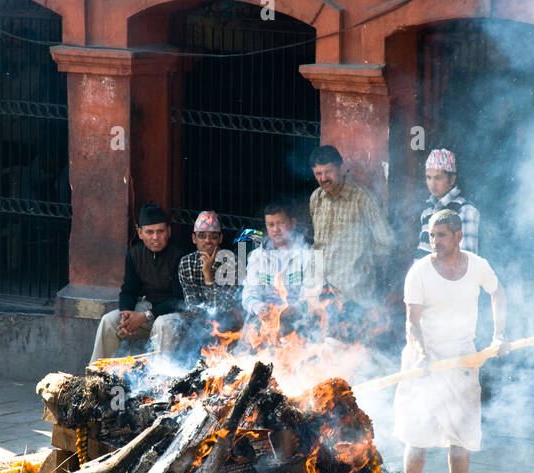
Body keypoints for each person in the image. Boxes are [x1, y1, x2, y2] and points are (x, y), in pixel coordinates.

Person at [393, 208, 508, 473]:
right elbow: (412, 323)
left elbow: (497, 293)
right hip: (424, 359)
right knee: (417, 436)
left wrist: (499, 335)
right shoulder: (418, 272)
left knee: (461, 436)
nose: (435, 241)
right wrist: (420, 355)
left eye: (441, 235)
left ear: (458, 236)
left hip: (462, 358)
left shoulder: (478, 266)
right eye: (431, 235)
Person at [88, 202, 185, 364]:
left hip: (172, 316)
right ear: (140, 233)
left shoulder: (179, 254)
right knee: (109, 321)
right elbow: (128, 289)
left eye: (160, 231)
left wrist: (144, 316)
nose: (155, 237)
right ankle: (95, 377)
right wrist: (126, 315)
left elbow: (178, 299)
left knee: (162, 324)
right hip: (146, 309)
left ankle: (160, 383)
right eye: (149, 232)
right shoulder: (134, 254)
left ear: (168, 231)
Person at [307, 145, 396, 309]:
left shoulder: (363, 199)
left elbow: (386, 242)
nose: (323, 178)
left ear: (341, 168)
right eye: (318, 173)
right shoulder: (316, 198)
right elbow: (318, 244)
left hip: (355, 295)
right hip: (323, 292)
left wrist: (364, 270)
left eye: (328, 172)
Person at [154, 210, 239, 353]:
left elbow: (222, 309)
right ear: (194, 238)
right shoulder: (186, 263)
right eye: (202, 236)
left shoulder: (232, 263)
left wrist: (208, 275)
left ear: (220, 239)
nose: (207, 240)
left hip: (225, 324)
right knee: (165, 323)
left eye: (213, 236)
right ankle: (164, 369)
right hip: (196, 320)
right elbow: (192, 306)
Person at [242, 201, 314, 335]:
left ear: (292, 223)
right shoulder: (257, 257)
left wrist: (293, 309)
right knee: (244, 349)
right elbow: (249, 293)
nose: (276, 229)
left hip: (298, 321)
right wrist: (260, 308)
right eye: (270, 225)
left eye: (281, 223)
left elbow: (312, 295)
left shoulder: (307, 255)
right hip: (263, 320)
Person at [416, 149, 480, 258]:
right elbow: (422, 257)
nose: (432, 183)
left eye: (438, 178)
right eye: (428, 177)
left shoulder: (465, 211)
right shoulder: (427, 212)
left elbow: (467, 259)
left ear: (452, 179)